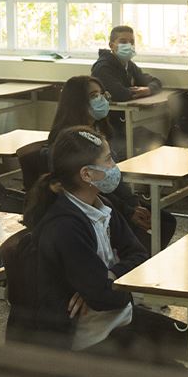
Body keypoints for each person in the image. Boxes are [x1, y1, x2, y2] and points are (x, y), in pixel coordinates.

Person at [3, 129, 187, 366]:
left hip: (118, 317)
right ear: (87, 174)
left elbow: (139, 253)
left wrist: (109, 277)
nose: (114, 166)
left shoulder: (101, 205)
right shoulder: (65, 226)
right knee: (178, 375)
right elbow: (104, 298)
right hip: (93, 337)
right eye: (108, 159)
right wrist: (102, 287)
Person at [49, 75, 174, 251]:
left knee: (166, 221)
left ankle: (141, 257)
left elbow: (113, 176)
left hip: (111, 197)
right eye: (94, 96)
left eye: (102, 94)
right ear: (77, 101)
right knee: (143, 233)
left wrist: (133, 203)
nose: (101, 99)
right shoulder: (70, 140)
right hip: (95, 201)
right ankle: (134, 259)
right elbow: (91, 187)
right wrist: (128, 211)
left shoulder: (98, 129)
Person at [91, 25, 164, 153]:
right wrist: (137, 92)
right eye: (123, 42)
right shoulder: (102, 68)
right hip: (107, 128)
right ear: (111, 45)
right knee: (126, 152)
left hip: (123, 125)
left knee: (159, 141)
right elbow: (120, 94)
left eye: (132, 42)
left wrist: (148, 90)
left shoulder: (128, 65)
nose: (129, 45)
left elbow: (155, 82)